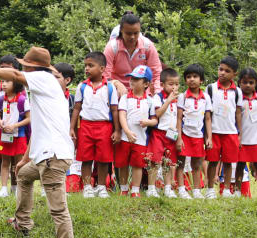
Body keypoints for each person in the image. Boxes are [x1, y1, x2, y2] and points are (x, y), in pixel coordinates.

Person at [0, 47, 79, 238]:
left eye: (24, 65)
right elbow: (41, 129)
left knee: (59, 210)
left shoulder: (43, 78)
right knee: (23, 175)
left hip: (53, 158)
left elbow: (14, 76)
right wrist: (24, 159)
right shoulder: (45, 90)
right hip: (45, 155)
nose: (22, 68)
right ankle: (22, 223)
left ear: (31, 67)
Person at [71, 51, 120, 198]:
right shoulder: (82, 86)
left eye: (90, 66)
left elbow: (114, 110)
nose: (87, 69)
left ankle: (101, 186)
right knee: (86, 158)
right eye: (85, 65)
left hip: (104, 127)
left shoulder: (109, 87)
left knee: (103, 159)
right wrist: (72, 128)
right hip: (85, 126)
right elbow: (77, 108)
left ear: (102, 68)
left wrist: (117, 130)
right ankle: (87, 187)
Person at [115, 65, 158, 197]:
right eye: (131, 78)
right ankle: (123, 189)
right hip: (124, 137)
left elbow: (155, 120)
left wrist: (148, 122)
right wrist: (127, 131)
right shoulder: (125, 98)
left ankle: (135, 190)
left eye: (136, 79)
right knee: (123, 164)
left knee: (137, 165)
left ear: (146, 84)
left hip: (140, 139)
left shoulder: (150, 101)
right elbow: (122, 115)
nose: (132, 81)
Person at [205, 56, 243, 198]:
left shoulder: (237, 91)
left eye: (227, 71)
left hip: (231, 132)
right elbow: (207, 115)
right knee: (213, 162)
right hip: (214, 131)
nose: (222, 73)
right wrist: (207, 136)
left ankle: (227, 189)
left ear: (234, 74)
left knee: (228, 162)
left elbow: (238, 113)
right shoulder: (211, 88)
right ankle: (210, 190)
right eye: (221, 69)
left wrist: (240, 133)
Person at [175, 63, 213, 200]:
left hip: (198, 135)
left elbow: (207, 119)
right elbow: (179, 118)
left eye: (195, 76)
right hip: (184, 134)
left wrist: (209, 137)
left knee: (197, 164)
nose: (192, 79)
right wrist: (178, 137)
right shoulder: (182, 96)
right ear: (185, 80)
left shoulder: (206, 98)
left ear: (201, 80)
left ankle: (196, 190)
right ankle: (181, 189)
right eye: (189, 77)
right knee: (180, 162)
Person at [103, 11, 162, 96]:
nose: (132, 37)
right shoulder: (112, 47)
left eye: (136, 33)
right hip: (118, 92)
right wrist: (115, 83)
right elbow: (104, 75)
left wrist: (157, 95)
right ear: (121, 31)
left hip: (143, 92)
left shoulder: (147, 46)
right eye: (128, 33)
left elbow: (156, 74)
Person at [0, 55, 22, 196]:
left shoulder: (22, 92)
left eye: (8, 68)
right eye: (1, 68)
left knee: (15, 158)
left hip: (17, 131)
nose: (4, 71)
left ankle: (15, 186)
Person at [0, 77, 31, 198]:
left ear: (16, 84)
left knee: (18, 163)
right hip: (4, 134)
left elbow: (29, 118)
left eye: (7, 81)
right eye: (3, 81)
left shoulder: (22, 99)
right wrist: (0, 122)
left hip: (18, 135)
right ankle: (4, 188)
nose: (3, 83)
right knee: (5, 162)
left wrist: (15, 125)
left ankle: (17, 188)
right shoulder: (1, 99)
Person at [237, 68, 257, 199]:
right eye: (245, 82)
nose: (248, 85)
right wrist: (238, 135)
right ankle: (237, 191)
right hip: (242, 138)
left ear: (256, 83)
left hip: (256, 138)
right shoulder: (237, 98)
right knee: (240, 164)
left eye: (251, 82)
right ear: (239, 83)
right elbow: (237, 116)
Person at [150, 68, 181, 198]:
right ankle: (151, 188)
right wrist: (168, 100)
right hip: (159, 133)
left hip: (171, 134)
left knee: (169, 162)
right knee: (155, 161)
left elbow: (179, 118)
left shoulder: (179, 99)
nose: (174, 87)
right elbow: (158, 113)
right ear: (162, 85)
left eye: (176, 84)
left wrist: (179, 136)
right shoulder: (158, 97)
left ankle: (168, 188)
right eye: (171, 84)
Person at [54, 62, 83, 193]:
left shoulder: (71, 99)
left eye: (57, 77)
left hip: (68, 135)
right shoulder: (48, 97)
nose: (53, 80)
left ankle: (65, 187)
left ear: (67, 80)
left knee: (65, 159)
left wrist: (74, 135)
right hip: (52, 134)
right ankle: (46, 186)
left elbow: (76, 118)